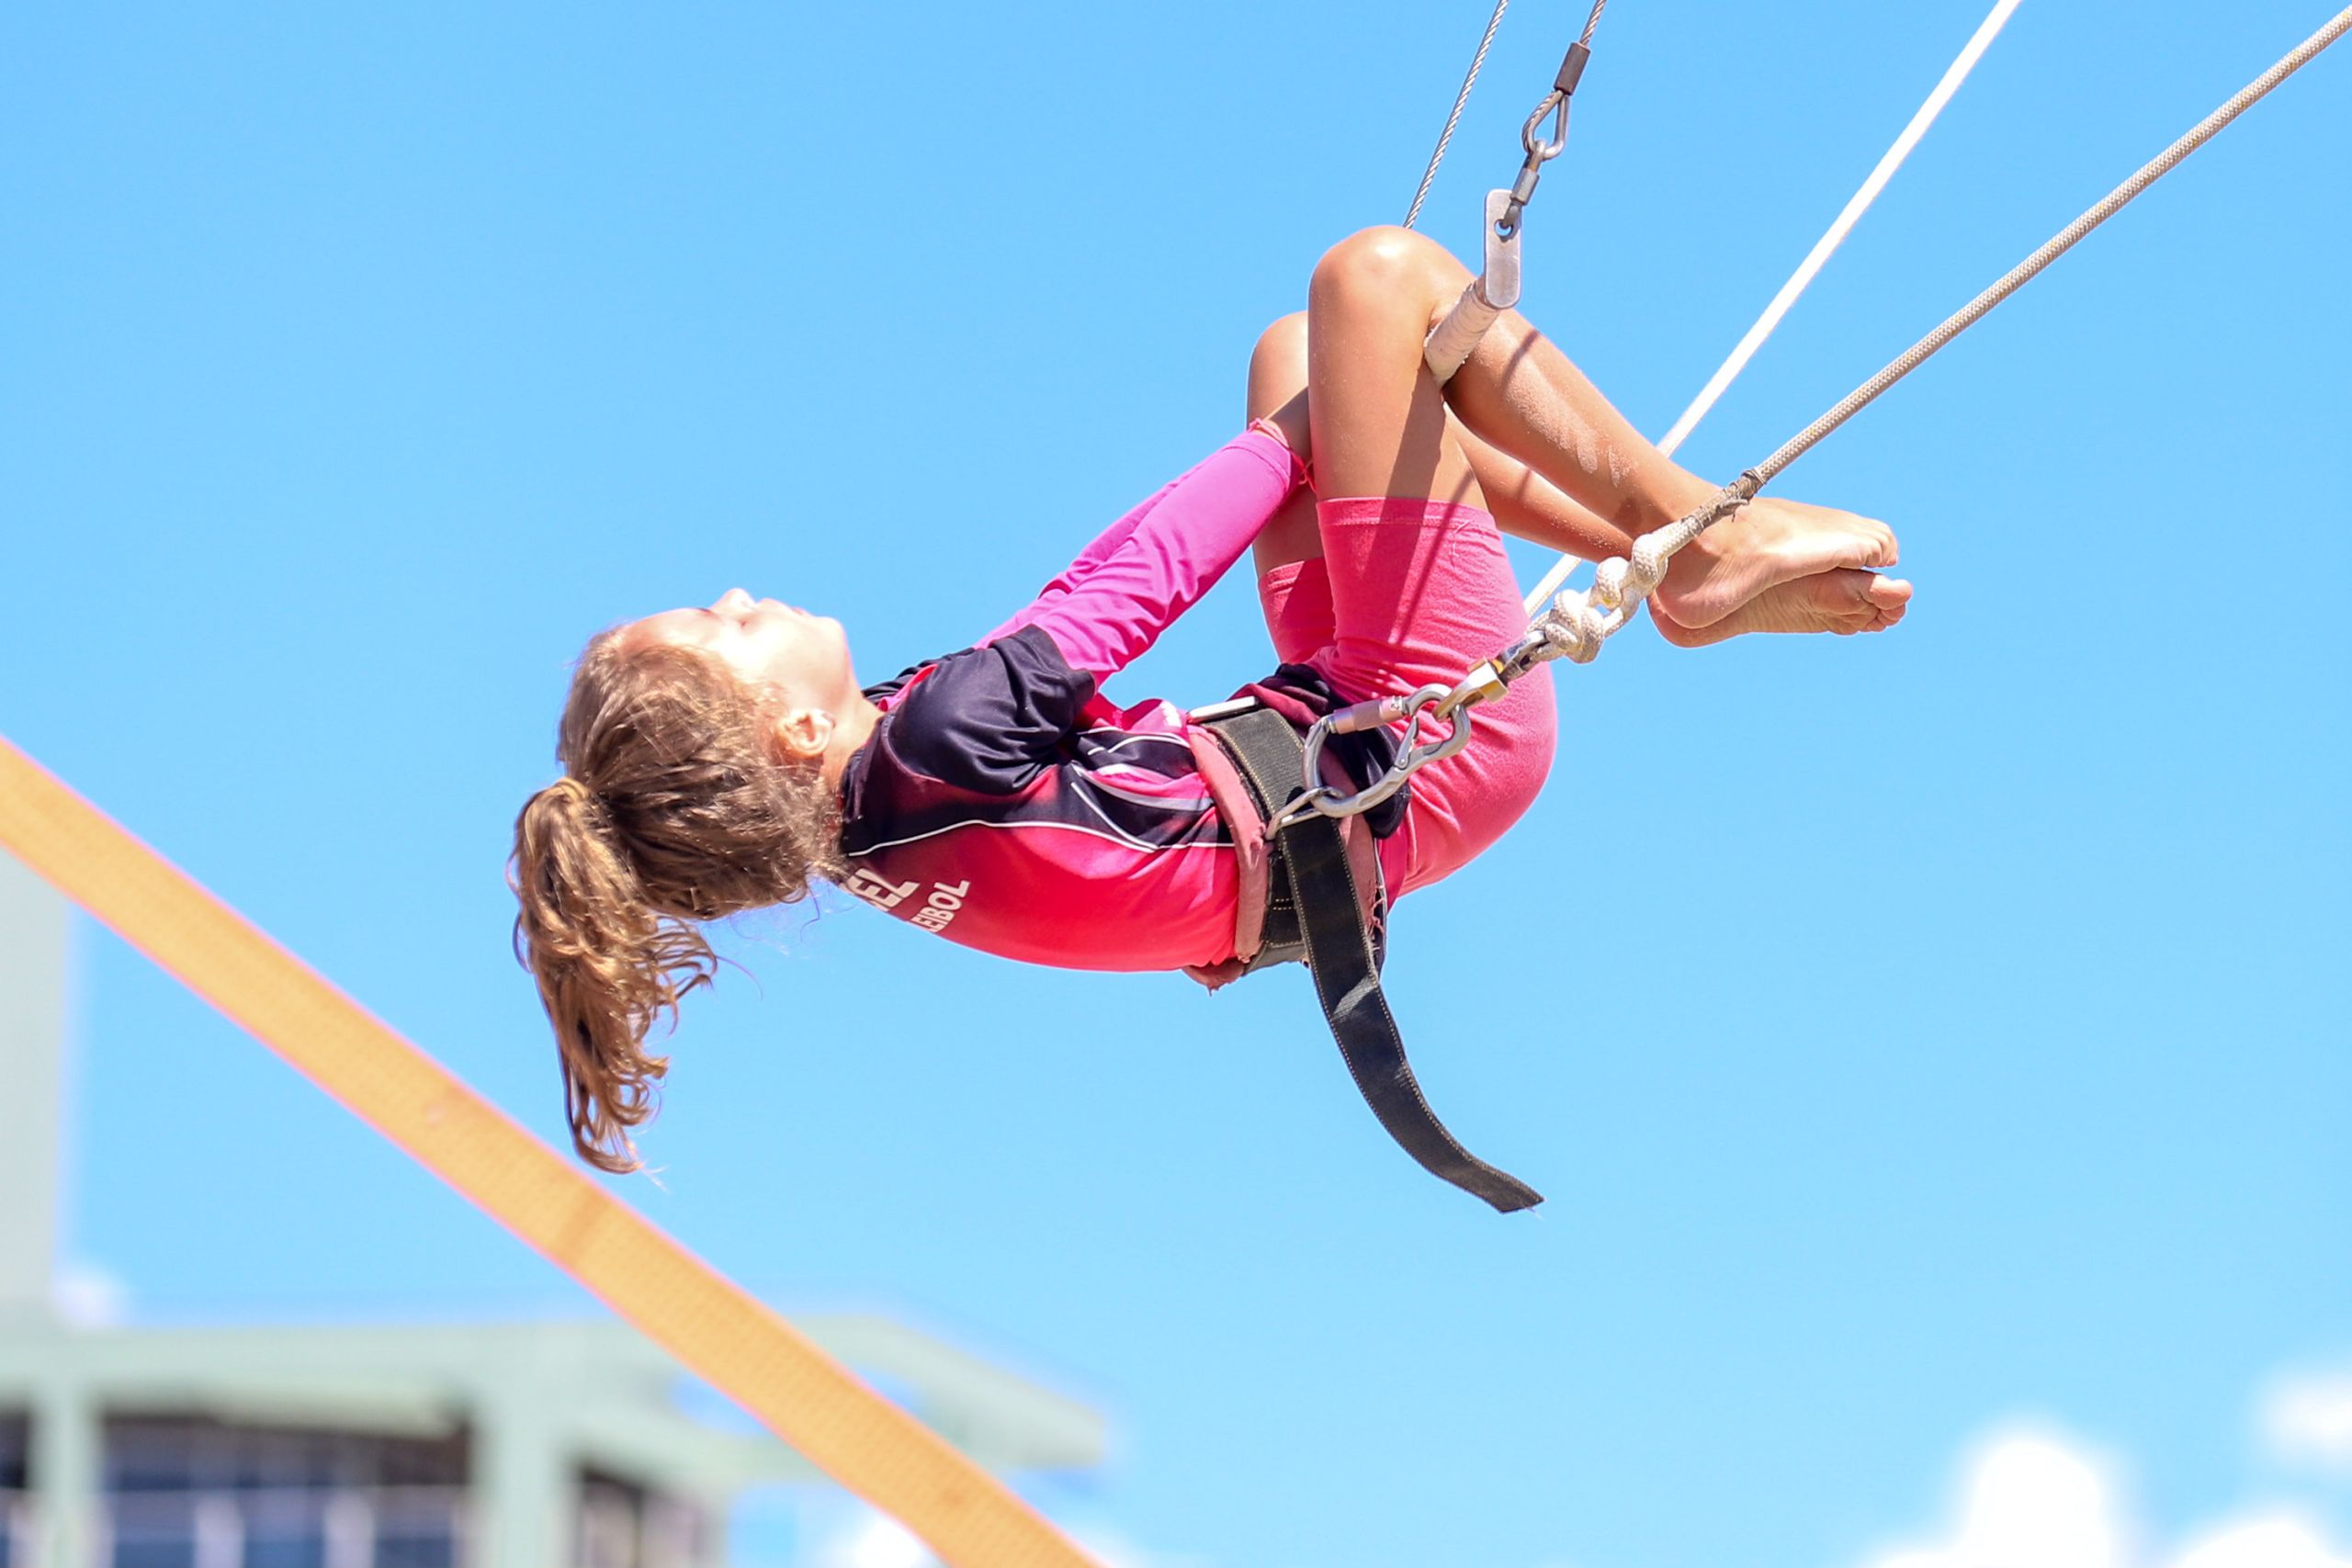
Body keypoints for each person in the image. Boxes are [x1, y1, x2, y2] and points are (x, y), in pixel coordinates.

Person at [511, 226, 1912, 1174]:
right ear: (790, 731)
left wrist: (1321, 417)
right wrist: (1320, 424)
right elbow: (1130, 579)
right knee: (1372, 288)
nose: (743, 592)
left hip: (1338, 739)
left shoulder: (880, 805)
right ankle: (1701, 536)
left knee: (1296, 355)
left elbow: (1068, 721)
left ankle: (1665, 562)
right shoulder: (928, 751)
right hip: (1423, 744)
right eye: (720, 625)